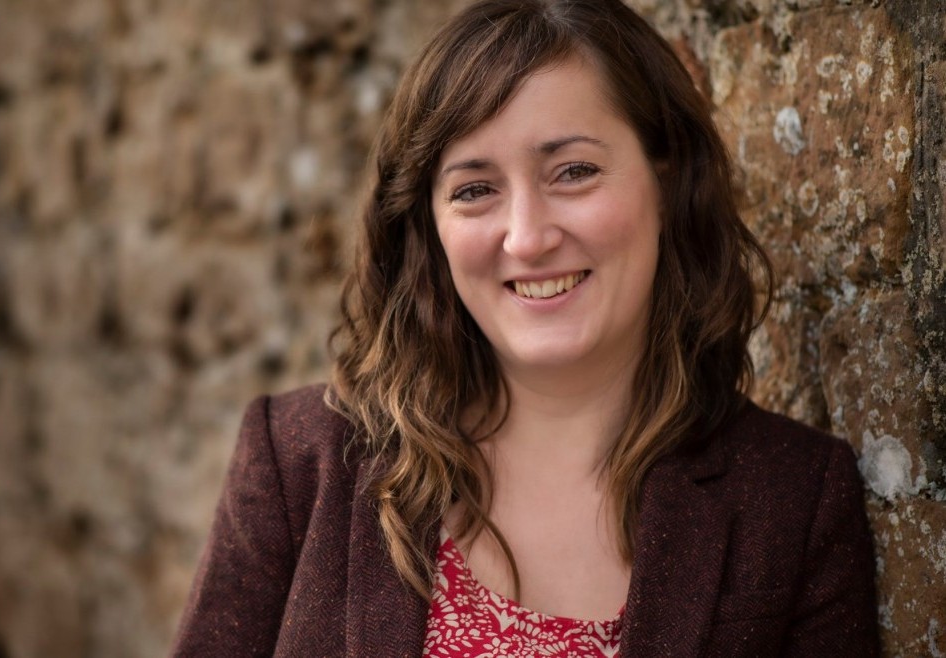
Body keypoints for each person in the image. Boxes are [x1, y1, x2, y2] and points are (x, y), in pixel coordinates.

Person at [171, 0, 880, 655]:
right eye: (474, 189)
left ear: (665, 183)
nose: (527, 237)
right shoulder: (299, 462)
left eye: (572, 171)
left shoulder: (792, 501)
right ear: (430, 228)